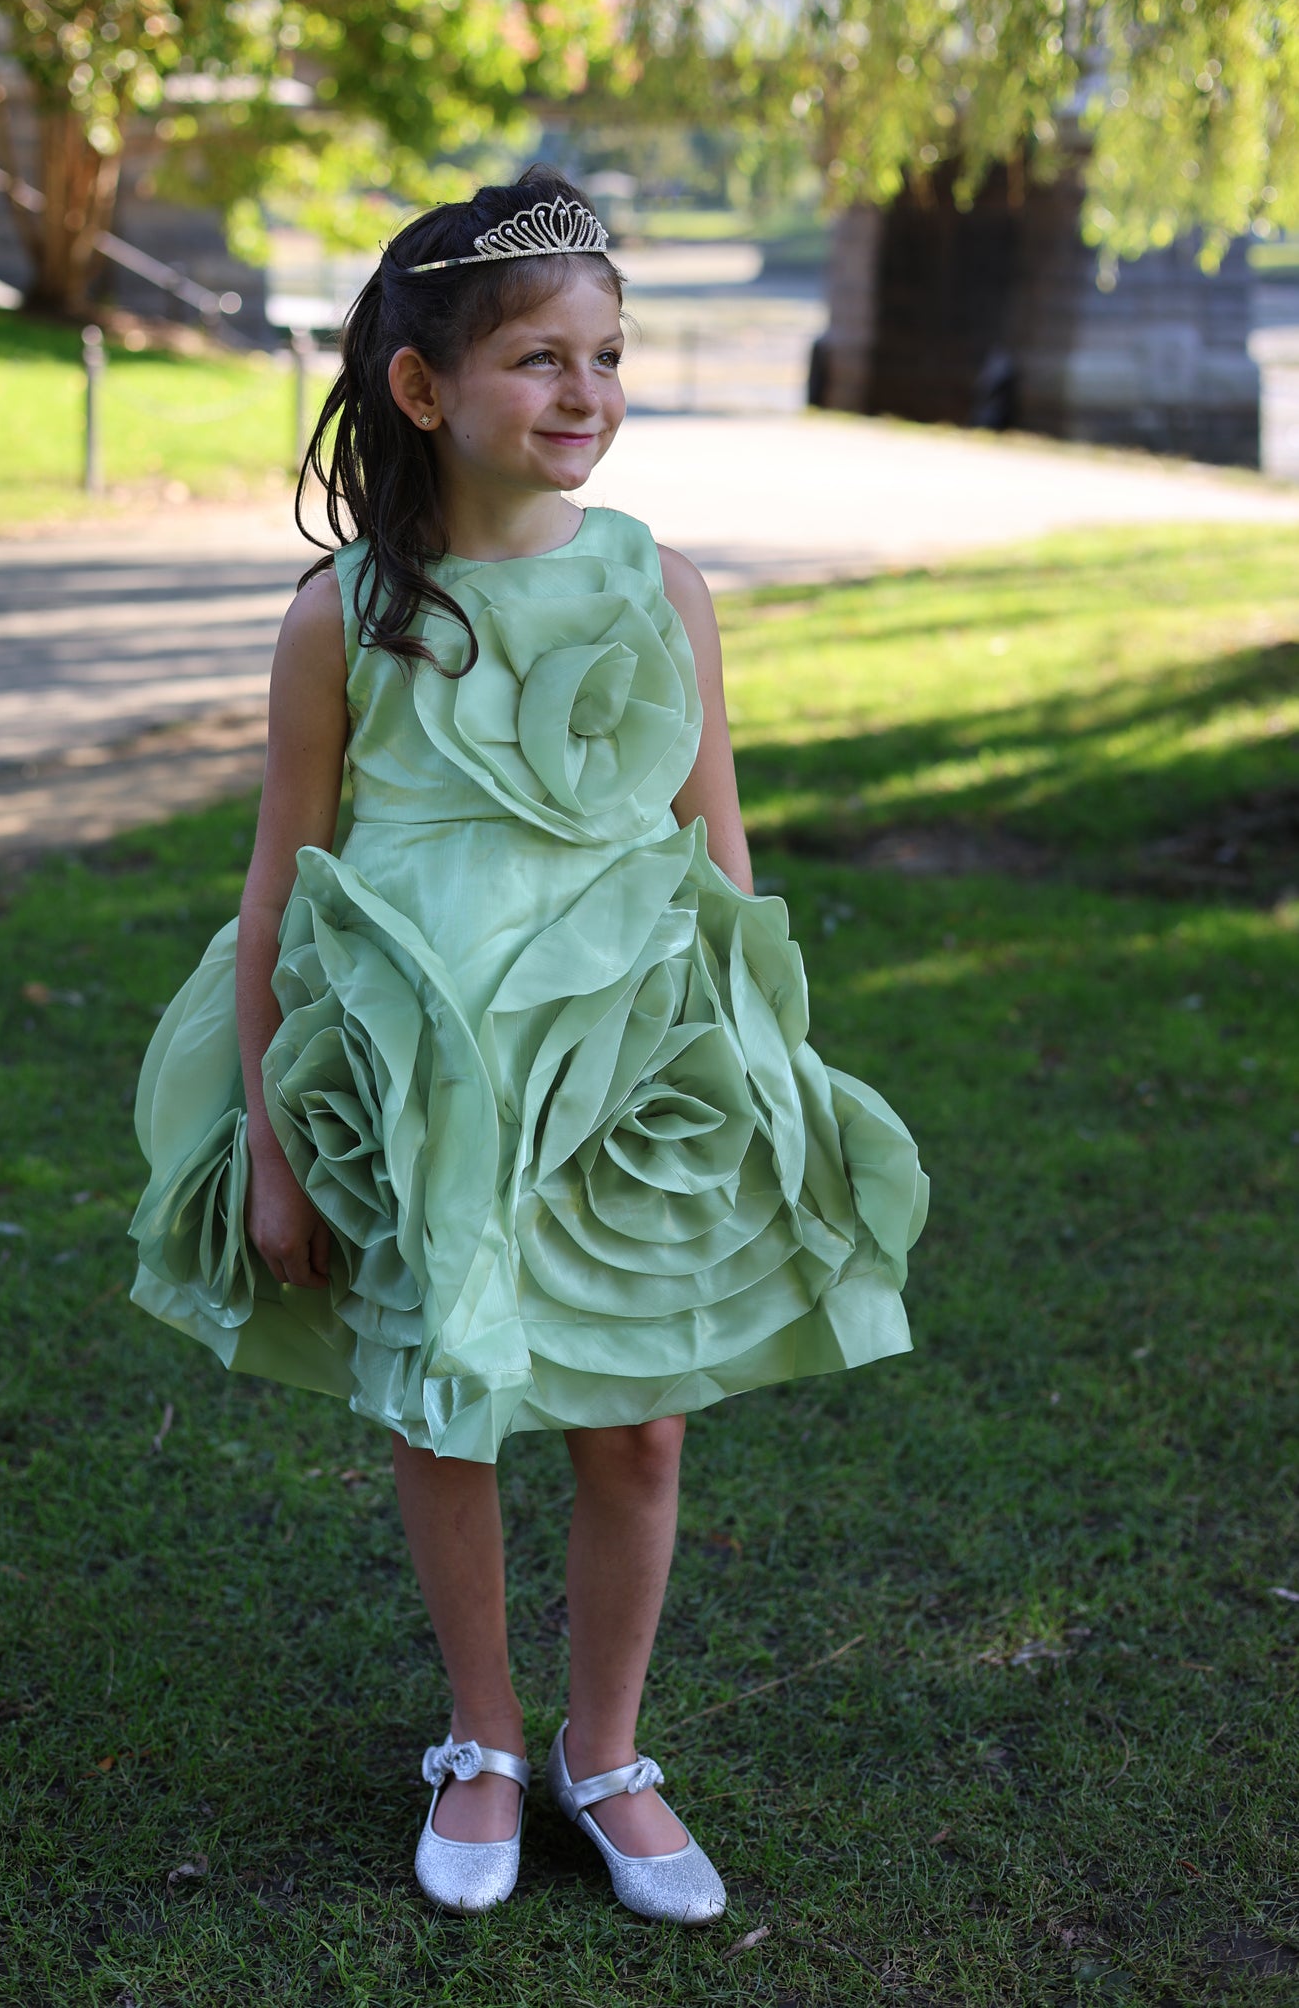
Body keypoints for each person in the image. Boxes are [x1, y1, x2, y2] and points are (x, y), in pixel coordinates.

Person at [128, 167, 928, 1924]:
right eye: (540, 360)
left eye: (608, 358)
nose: (585, 395)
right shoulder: (346, 611)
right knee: (449, 1402)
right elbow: (281, 884)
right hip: (422, 1089)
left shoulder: (661, 585)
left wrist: (761, 1076)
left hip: (634, 1071)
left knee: (638, 1426)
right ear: (425, 388)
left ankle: (606, 1748)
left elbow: (719, 853)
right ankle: (481, 1740)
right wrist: (270, 1137)